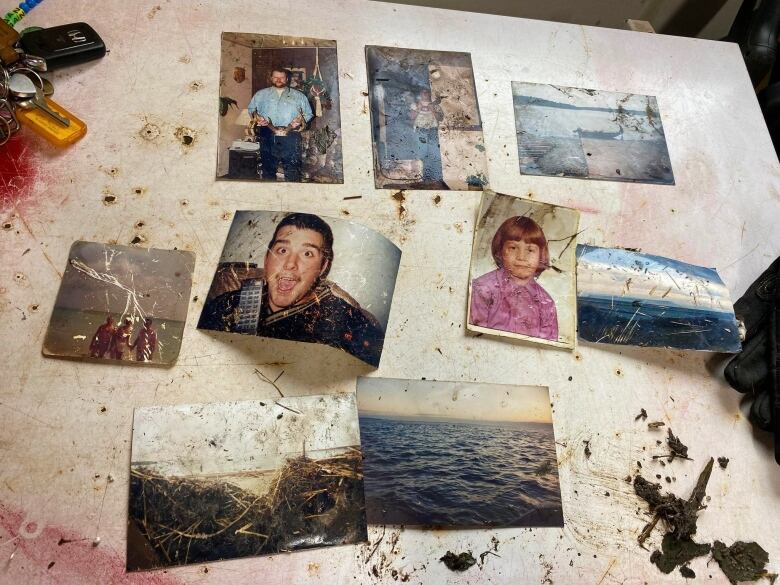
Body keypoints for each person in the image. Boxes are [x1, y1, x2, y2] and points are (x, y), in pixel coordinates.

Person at [199, 213, 385, 366]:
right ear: (267, 258)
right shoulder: (228, 303)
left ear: (322, 267)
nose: (290, 264)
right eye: (282, 251)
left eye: (307, 254)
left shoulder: (348, 320)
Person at [469, 216, 558, 341]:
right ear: (500, 251)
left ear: (541, 255)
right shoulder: (482, 290)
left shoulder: (546, 304)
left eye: (530, 250)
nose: (521, 257)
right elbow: (474, 339)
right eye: (513, 248)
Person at [248, 68, 314, 181]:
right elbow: (251, 109)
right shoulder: (260, 94)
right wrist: (257, 119)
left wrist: (299, 121)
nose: (278, 80)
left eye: (282, 77)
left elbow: (308, 113)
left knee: (293, 169)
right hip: (267, 133)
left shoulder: (299, 96)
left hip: (291, 134)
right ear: (271, 78)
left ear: (287, 79)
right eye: (275, 77)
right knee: (268, 168)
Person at [409, 88, 445, 186]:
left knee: (435, 155)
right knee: (423, 155)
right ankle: (425, 180)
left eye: (427, 91)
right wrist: (418, 108)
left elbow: (440, 118)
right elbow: (411, 117)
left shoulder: (435, 105)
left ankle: (437, 180)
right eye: (423, 91)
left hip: (433, 131)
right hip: (420, 131)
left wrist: (433, 110)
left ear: (430, 93)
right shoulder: (415, 104)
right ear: (420, 93)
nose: (425, 93)